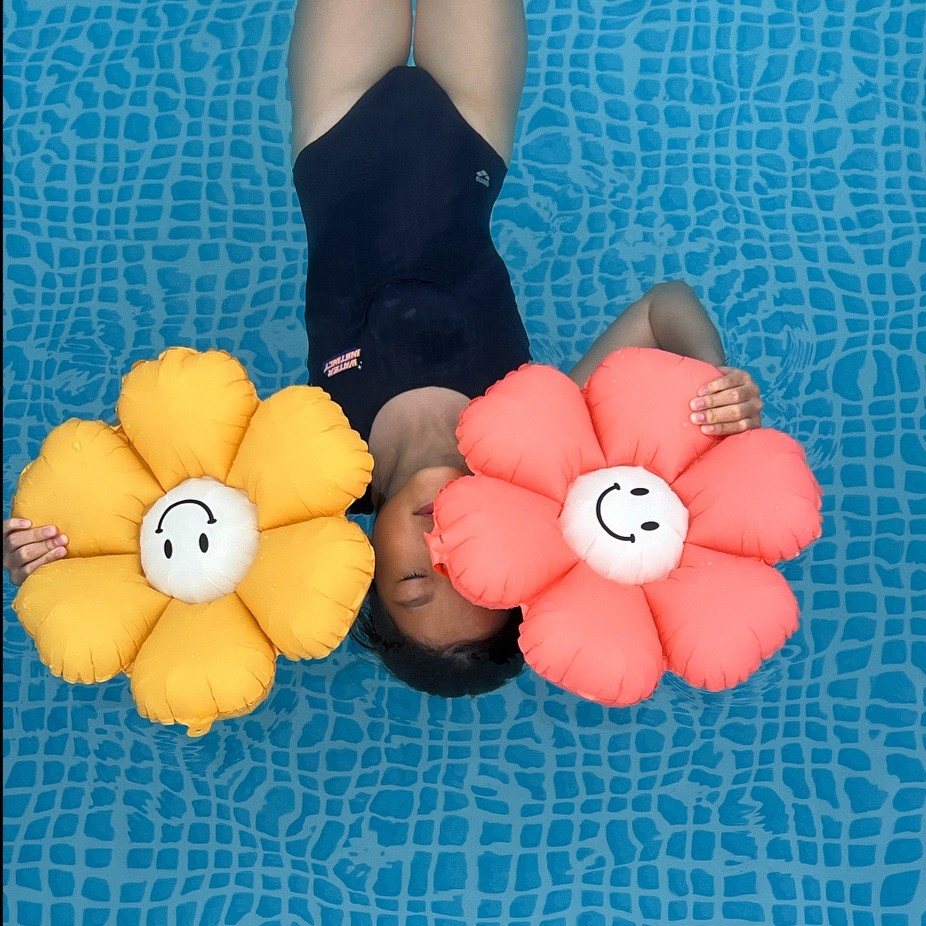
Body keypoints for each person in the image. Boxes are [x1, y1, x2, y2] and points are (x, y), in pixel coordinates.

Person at [3, 0, 763, 699]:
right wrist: (717, 379)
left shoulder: (313, 472)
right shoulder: (537, 439)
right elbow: (665, 306)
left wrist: (46, 551)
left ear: (369, 571)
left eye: (415, 580)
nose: (441, 545)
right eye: (473, 569)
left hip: (335, 125)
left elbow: (157, 505)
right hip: (471, 125)